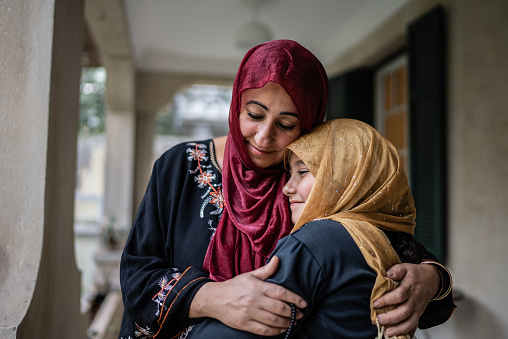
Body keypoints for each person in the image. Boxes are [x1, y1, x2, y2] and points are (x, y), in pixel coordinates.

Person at [119, 40, 452, 339]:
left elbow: (385, 245)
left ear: (308, 126)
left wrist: (430, 280)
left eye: (286, 124)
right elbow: (137, 274)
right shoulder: (180, 166)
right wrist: (210, 297)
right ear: (237, 104)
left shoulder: (308, 181)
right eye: (254, 114)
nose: (264, 137)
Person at [181, 119, 455, 339]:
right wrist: (436, 277)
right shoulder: (384, 238)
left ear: (346, 175)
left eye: (303, 171)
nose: (286, 189)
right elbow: (439, 311)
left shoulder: (317, 240)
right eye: (289, 174)